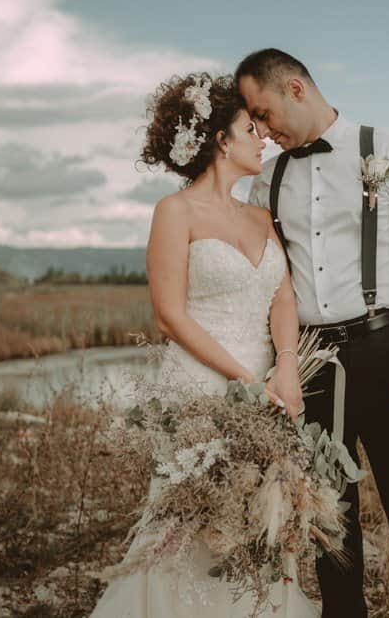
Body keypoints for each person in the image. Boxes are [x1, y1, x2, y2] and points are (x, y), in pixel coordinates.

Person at [237, 48, 389, 618]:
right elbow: (271, 283)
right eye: (252, 121)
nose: (261, 130)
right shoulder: (266, 181)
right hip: (311, 364)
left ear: (295, 89)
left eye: (263, 113)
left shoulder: (387, 150)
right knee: (329, 526)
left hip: (387, 352)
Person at [90, 72, 318, 617]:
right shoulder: (175, 212)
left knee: (262, 515)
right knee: (191, 523)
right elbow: (170, 316)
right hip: (200, 385)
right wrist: (245, 383)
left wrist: (285, 369)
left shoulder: (261, 216)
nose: (262, 135)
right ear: (220, 139)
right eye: (250, 126)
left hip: (270, 385)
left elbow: (283, 298)